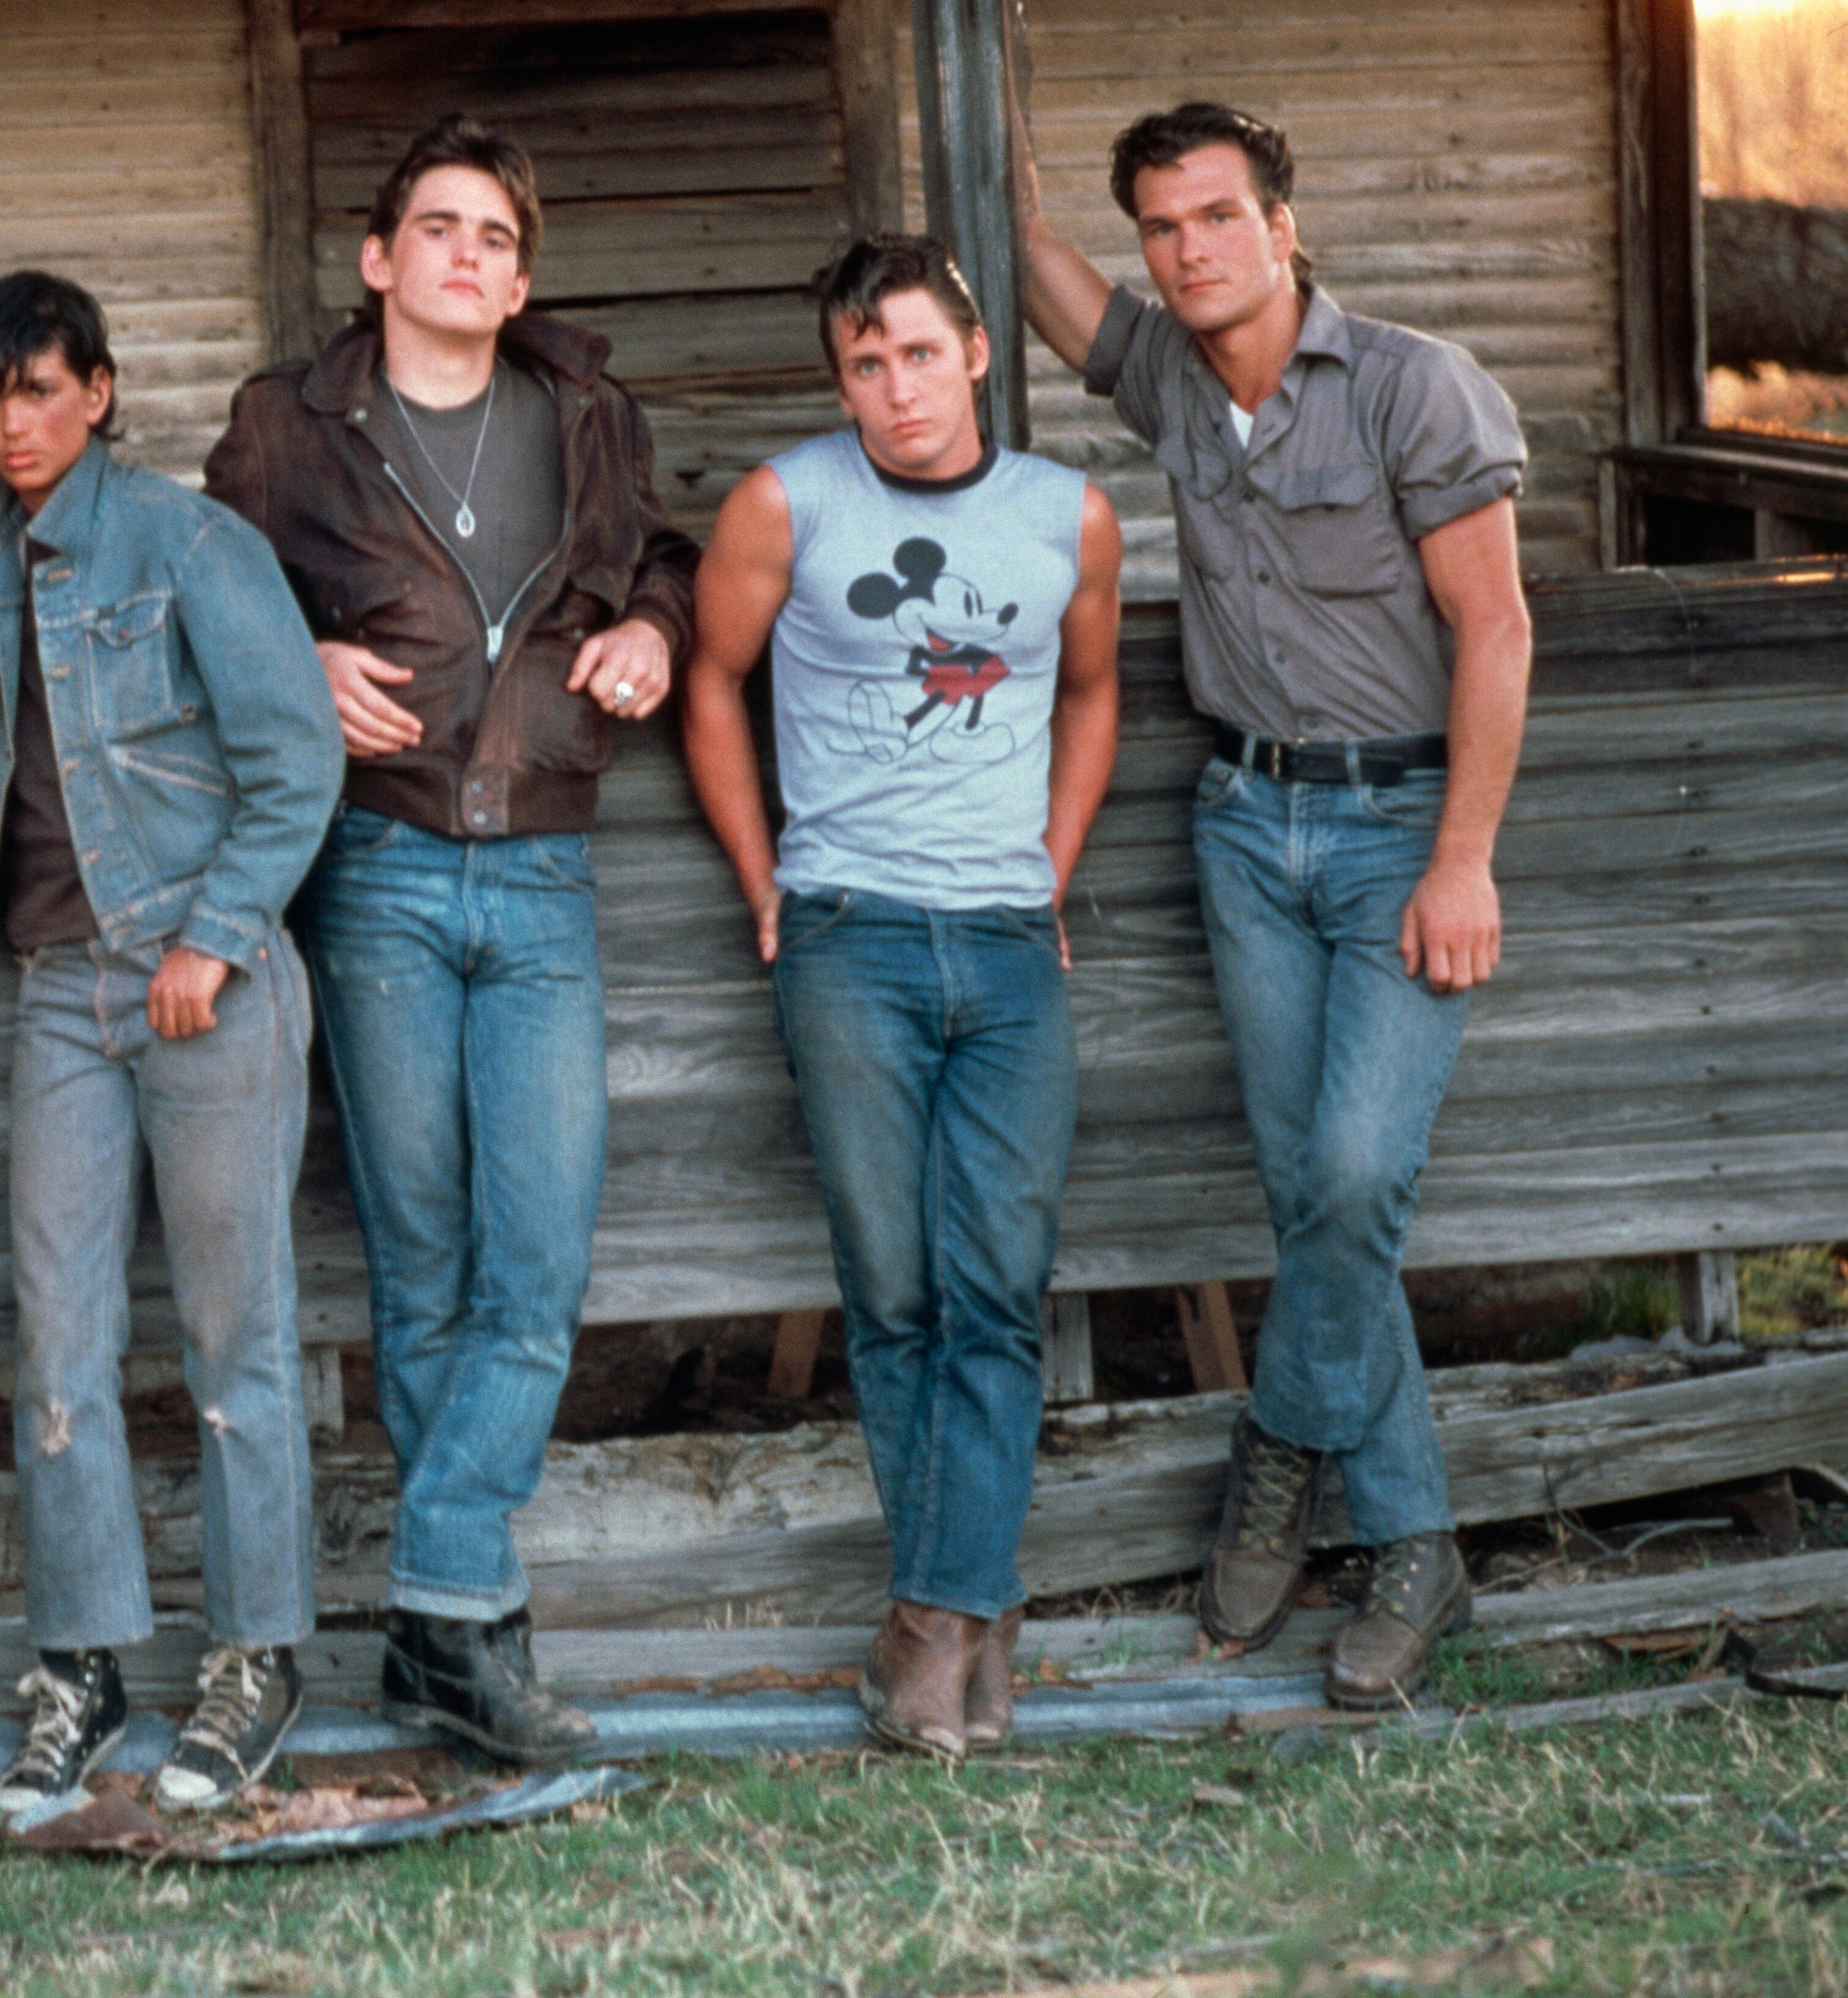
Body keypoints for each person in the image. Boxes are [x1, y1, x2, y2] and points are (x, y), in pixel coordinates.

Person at [1014, 100, 1532, 1706]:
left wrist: (1462, 858)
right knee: (1309, 1185)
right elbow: (1043, 273)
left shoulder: (1409, 385)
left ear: (1283, 224)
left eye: (1218, 218)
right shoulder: (1170, 370)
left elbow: (1499, 630)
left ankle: (1285, 1450)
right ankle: (1415, 1556)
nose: (1189, 250)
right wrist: (991, 127)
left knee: (1355, 1179)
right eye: (1163, 227)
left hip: (1393, 834)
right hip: (1241, 827)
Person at [203, 113, 696, 1763]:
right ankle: (471, 1640)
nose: (470, 255)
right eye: (441, 227)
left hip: (545, 868)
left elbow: (672, 566)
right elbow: (204, 598)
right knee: (419, 1269)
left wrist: (646, 628)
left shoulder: (586, 413)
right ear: (378, 257)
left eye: (497, 234)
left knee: (537, 1262)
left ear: (520, 272)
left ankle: (442, 1600)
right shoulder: (291, 425)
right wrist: (293, 658)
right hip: (382, 869)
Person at [0, 272, 341, 1820]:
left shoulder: (189, 543)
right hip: (60, 989)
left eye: (43, 392)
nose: (16, 425)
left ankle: (257, 1655)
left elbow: (297, 759)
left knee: (232, 1335)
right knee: (57, 1338)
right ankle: (81, 1663)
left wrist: (209, 936)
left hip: (210, 979)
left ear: (101, 391)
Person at [682, 236, 1121, 1758]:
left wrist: (1047, 872)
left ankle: (932, 1626)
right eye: (864, 364)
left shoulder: (1068, 516)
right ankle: (967, 1636)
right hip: (849, 934)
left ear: (980, 351)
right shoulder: (782, 503)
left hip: (1005, 943)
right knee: (894, 1296)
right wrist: (764, 879)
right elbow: (708, 680)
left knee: (996, 1288)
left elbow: (1089, 692)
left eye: (918, 354)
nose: (892, 389)